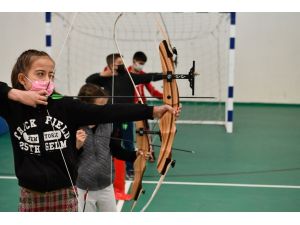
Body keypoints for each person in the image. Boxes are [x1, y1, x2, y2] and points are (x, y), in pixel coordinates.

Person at [0, 49, 180, 212]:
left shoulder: (63, 105)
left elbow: (106, 112)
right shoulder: (12, 106)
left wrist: (151, 111)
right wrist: (16, 94)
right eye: (40, 74)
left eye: (51, 75)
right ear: (23, 79)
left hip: (65, 192)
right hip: (31, 194)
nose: (47, 80)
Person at [86, 53, 163, 178]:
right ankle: (106, 169)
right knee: (108, 144)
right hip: (109, 118)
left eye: (122, 62)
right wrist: (102, 74)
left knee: (128, 142)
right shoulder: (105, 78)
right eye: (119, 63)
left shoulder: (128, 77)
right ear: (112, 66)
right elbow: (89, 81)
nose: (122, 65)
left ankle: (130, 169)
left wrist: (167, 75)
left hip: (126, 119)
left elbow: (148, 77)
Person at [75, 83, 150, 212]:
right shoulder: (73, 125)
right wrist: (77, 146)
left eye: (105, 105)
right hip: (83, 188)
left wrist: (135, 155)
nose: (104, 110)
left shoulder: (108, 123)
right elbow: (66, 157)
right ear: (86, 105)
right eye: (100, 106)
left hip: (106, 185)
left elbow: (115, 150)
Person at [128, 51, 163, 162]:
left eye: (143, 63)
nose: (141, 65)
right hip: (127, 106)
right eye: (140, 63)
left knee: (146, 131)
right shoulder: (126, 73)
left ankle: (150, 152)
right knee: (126, 132)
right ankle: (127, 154)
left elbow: (153, 91)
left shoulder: (143, 75)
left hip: (141, 106)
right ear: (134, 61)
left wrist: (166, 97)